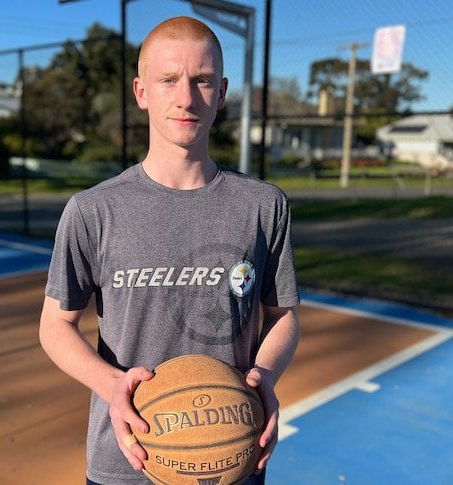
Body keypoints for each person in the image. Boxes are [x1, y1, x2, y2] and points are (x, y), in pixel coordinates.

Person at [39, 16, 300, 485]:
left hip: (232, 456)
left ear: (221, 93)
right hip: (127, 458)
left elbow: (283, 316)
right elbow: (55, 326)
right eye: (168, 80)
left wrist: (265, 376)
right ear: (141, 92)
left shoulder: (264, 205)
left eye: (201, 81)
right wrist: (113, 386)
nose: (185, 98)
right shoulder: (92, 210)